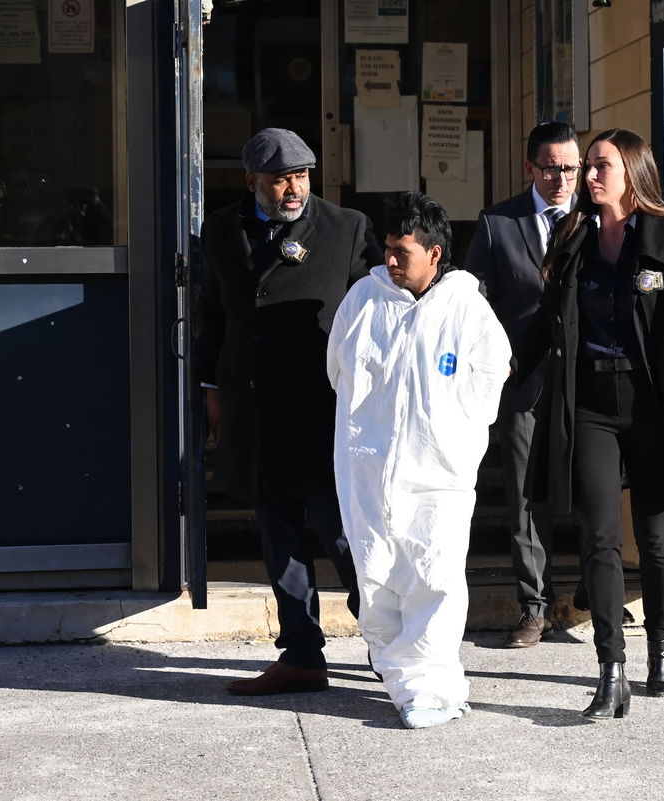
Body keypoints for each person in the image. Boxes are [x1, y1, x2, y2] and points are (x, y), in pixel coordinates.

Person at [526, 128, 664, 720]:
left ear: (632, 172)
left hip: (654, 400)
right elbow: (547, 324)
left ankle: (661, 650)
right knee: (597, 534)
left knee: (653, 534)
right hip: (590, 400)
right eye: (587, 167)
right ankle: (610, 668)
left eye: (600, 166)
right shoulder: (573, 235)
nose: (587, 177)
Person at [196, 128, 381, 694]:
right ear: (252, 180)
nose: (294, 187)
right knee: (278, 537)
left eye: (301, 175)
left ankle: (388, 645)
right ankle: (301, 654)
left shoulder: (347, 229)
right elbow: (212, 315)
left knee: (344, 535)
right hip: (254, 406)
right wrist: (212, 389)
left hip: (322, 409)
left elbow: (376, 317)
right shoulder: (221, 229)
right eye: (280, 178)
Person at [327, 192, 512, 729]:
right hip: (369, 467)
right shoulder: (364, 299)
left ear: (434, 254)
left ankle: (430, 687)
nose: (389, 260)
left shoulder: (464, 305)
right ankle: (400, 678)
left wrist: (453, 428)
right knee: (377, 575)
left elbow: (492, 371)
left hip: (439, 474)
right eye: (386, 248)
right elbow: (338, 366)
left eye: (400, 252)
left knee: (435, 575)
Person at [464, 122, 579, 647]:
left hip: (587, 378)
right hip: (522, 382)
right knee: (525, 495)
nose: (563, 178)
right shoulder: (497, 224)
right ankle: (533, 606)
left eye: (571, 168)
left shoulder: (597, 216)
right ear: (530, 168)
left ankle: (593, 601)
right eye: (552, 167)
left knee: (595, 491)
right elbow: (473, 305)